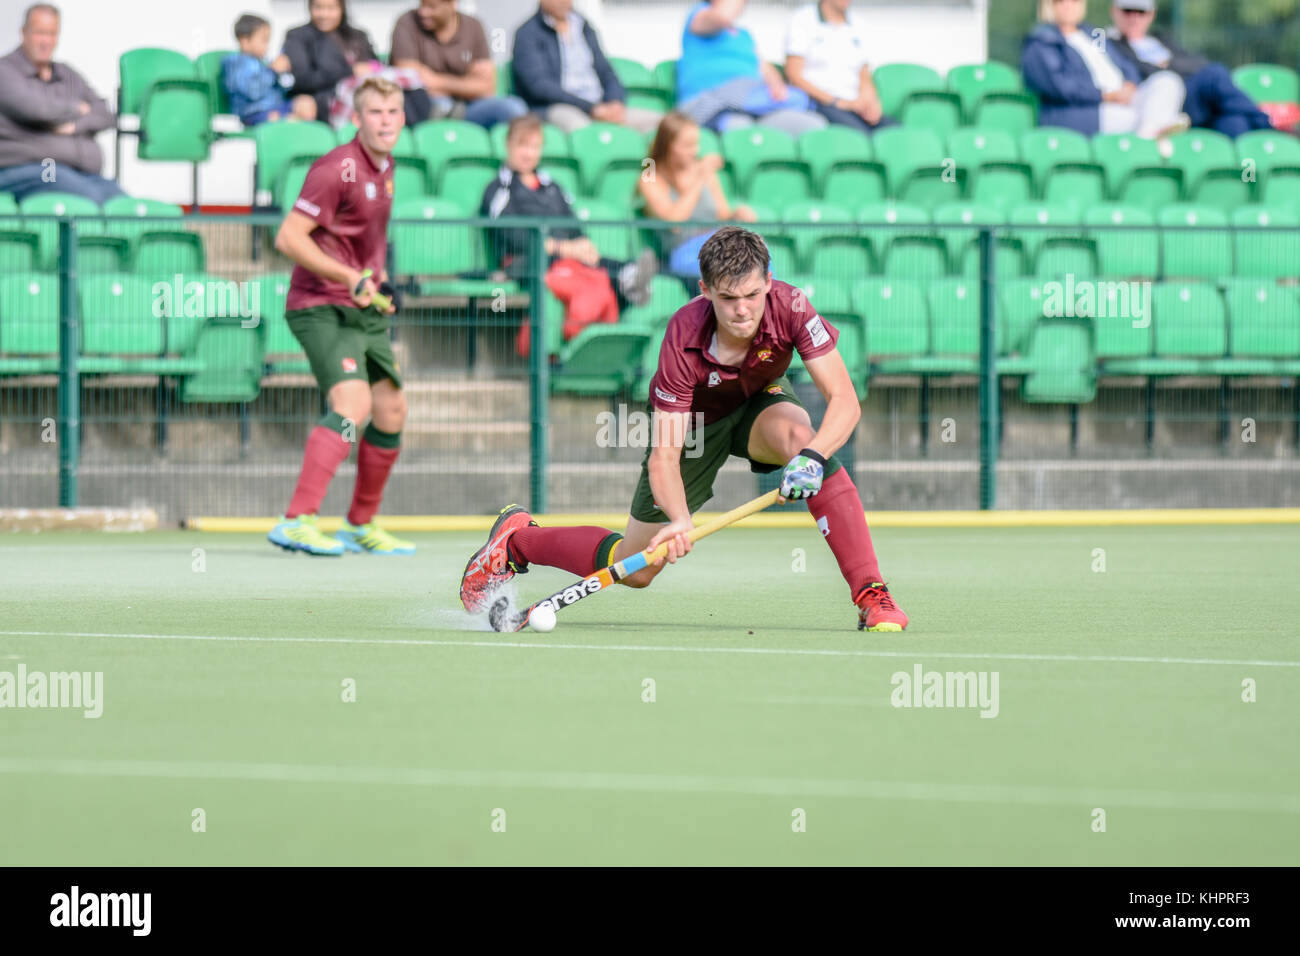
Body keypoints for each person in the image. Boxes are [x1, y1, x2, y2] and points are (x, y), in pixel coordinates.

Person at [459, 226, 909, 633]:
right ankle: (519, 540)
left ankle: (872, 595)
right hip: (696, 425)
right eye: (728, 299)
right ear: (705, 290)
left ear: (769, 281)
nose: (742, 311)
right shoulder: (683, 336)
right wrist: (679, 521)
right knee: (636, 570)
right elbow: (665, 455)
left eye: (752, 295)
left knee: (802, 439)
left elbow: (846, 402)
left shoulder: (790, 305)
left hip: (760, 401)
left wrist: (811, 459)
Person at [269, 76, 415, 557]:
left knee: (391, 409)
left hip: (361, 307)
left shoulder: (388, 168)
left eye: (393, 112)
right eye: (375, 112)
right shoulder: (336, 169)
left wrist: (379, 281)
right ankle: (296, 520)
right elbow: (289, 237)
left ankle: (358, 525)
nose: (386, 120)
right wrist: (348, 277)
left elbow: (365, 243)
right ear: (356, 118)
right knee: (352, 405)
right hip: (318, 304)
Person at [481, 113, 658, 356]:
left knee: (592, 260)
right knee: (576, 268)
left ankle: (628, 275)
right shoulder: (499, 189)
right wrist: (558, 247)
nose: (528, 153)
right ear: (508, 145)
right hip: (528, 261)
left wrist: (583, 243)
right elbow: (510, 234)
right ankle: (622, 283)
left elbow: (572, 224)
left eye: (534, 146)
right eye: (522, 145)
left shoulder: (552, 187)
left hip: (567, 257)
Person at [0, 3, 122, 204]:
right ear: (24, 33)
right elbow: (37, 109)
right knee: (87, 200)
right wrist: (78, 107)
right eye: (40, 33)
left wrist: (75, 125)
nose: (46, 41)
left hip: (80, 173)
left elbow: (105, 114)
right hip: (30, 169)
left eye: (52, 34)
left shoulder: (67, 75)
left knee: (122, 204)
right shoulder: (5, 71)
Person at [1022, 0, 1187, 142]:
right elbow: (1060, 86)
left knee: (1168, 81)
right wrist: (1106, 95)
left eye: (1074, 1)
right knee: (1143, 119)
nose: (1068, 5)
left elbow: (1122, 63)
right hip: (1090, 111)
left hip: (1126, 100)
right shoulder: (1042, 41)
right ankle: (1152, 136)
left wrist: (1131, 84)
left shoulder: (1094, 34)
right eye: (1060, 1)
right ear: (1050, 5)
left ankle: (1151, 132)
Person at [1105, 0, 1270, 139]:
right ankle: (1268, 126)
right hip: (1168, 101)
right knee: (1216, 74)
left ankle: (1245, 172)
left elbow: (1198, 62)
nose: (1134, 17)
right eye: (1128, 11)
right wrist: (1171, 65)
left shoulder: (1159, 39)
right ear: (1114, 11)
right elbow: (1145, 72)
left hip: (1197, 97)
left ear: (1151, 14)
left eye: (1141, 12)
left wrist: (1169, 64)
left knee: (1235, 122)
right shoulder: (1111, 44)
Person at [677, 0, 827, 136]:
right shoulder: (698, 14)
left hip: (753, 103)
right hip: (710, 102)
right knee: (740, 127)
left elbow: (765, 68)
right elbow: (722, 17)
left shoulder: (744, 35)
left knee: (814, 124)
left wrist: (777, 86)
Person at [512, 0, 662, 135]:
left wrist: (615, 102)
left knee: (664, 126)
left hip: (601, 105)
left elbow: (606, 72)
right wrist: (591, 108)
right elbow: (540, 87)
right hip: (559, 107)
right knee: (584, 132)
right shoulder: (527, 33)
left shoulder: (583, 26)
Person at [638, 111, 757, 280]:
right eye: (687, 145)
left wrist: (737, 214)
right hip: (685, 253)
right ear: (667, 145)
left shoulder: (704, 171)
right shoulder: (650, 178)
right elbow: (673, 223)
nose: (695, 151)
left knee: (758, 261)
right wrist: (700, 176)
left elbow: (722, 215)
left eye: (696, 144)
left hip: (719, 244)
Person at [284, 0, 432, 126]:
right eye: (319, 8)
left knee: (411, 89)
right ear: (310, 8)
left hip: (367, 91)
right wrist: (350, 71)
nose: (324, 15)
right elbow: (303, 80)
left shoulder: (357, 36)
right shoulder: (298, 37)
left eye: (330, 8)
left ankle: (421, 135)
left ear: (341, 9)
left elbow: (374, 64)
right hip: (329, 96)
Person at [389, 0, 528, 129]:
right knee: (442, 105)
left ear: (452, 4)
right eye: (422, 4)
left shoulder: (473, 26)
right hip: (427, 106)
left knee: (514, 108)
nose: (423, 12)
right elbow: (411, 80)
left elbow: (487, 88)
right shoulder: (407, 22)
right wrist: (468, 82)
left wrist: (436, 80)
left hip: (469, 107)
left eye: (432, 7)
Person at [784, 0, 895, 132]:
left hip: (854, 105)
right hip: (820, 103)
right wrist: (837, 102)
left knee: (896, 134)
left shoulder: (858, 24)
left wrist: (870, 102)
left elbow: (864, 75)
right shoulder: (803, 20)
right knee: (859, 136)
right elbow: (794, 75)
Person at [222, 13, 317, 127]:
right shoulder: (236, 64)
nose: (267, 46)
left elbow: (284, 88)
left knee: (306, 103)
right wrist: (272, 72)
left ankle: (303, 131)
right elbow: (253, 92)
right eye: (264, 41)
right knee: (283, 120)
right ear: (245, 41)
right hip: (253, 113)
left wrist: (283, 73)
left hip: (275, 107)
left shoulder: (264, 62)